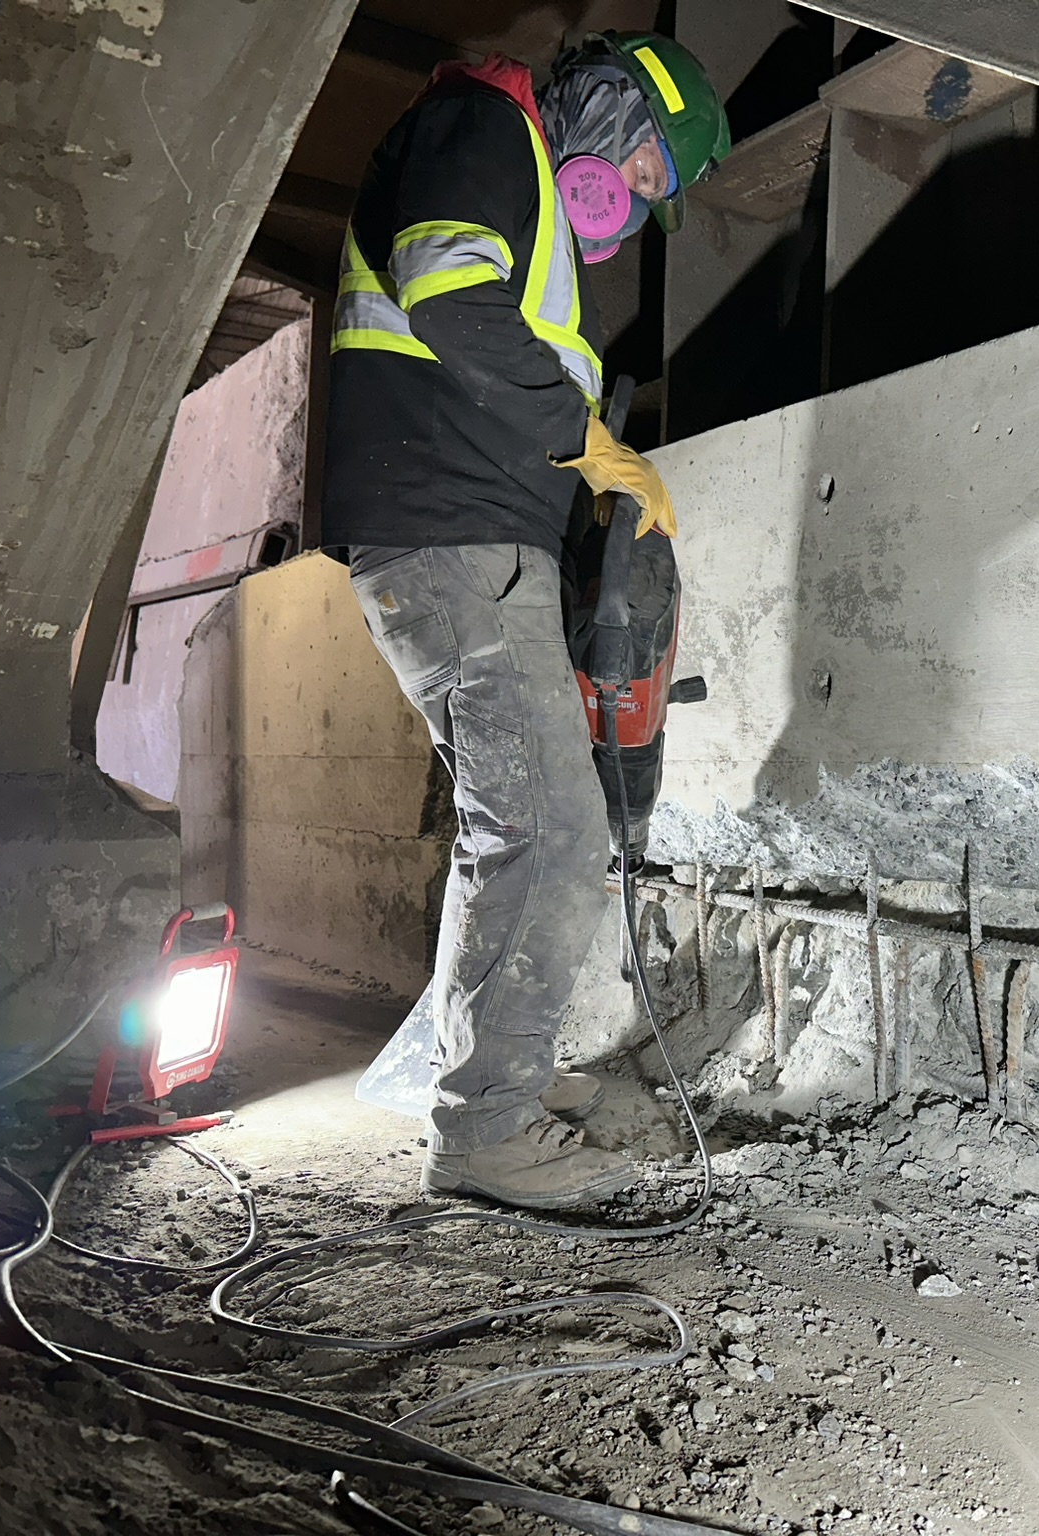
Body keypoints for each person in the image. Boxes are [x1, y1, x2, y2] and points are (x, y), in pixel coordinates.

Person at [320, 35, 730, 1209]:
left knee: (518, 826)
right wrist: (586, 440)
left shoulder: (495, 165)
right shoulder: (482, 130)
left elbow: (496, 325)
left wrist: (584, 466)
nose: (630, 208)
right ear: (607, 112)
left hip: (464, 541)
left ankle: (487, 1077)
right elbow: (452, 297)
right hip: (449, 538)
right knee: (549, 832)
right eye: (646, 174)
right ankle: (486, 1127)